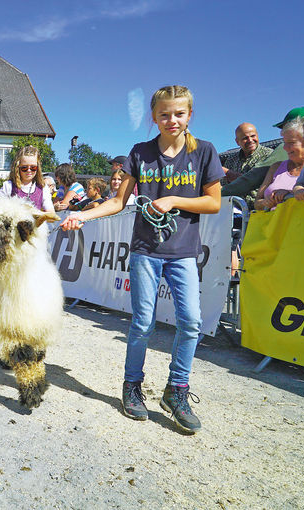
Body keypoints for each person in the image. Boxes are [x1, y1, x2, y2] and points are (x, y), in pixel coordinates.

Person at [61, 85, 223, 434]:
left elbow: (214, 203)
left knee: (191, 322)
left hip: (182, 253)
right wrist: (81, 217)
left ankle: (176, 390)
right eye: (164, 114)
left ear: (189, 115)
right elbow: (118, 202)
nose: (172, 120)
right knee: (143, 323)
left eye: (179, 113)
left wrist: (173, 200)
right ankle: (132, 386)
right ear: (154, 117)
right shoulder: (141, 153)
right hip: (145, 251)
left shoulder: (204, 152)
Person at [222, 107, 304, 200]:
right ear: (237, 141)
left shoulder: (273, 152)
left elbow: (253, 179)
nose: (285, 132)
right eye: (245, 138)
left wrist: (218, 193)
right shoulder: (231, 159)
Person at [255, 118, 304, 211]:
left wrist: (289, 195)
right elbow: (257, 203)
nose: (285, 148)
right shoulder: (276, 167)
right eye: (285, 143)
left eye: (291, 143)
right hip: (275, 224)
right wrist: (265, 202)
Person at [0, 145, 55, 212]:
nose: (29, 170)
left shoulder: (43, 188)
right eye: (24, 167)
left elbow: (50, 212)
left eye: (33, 167)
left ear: (38, 168)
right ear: (18, 167)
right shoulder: (8, 186)